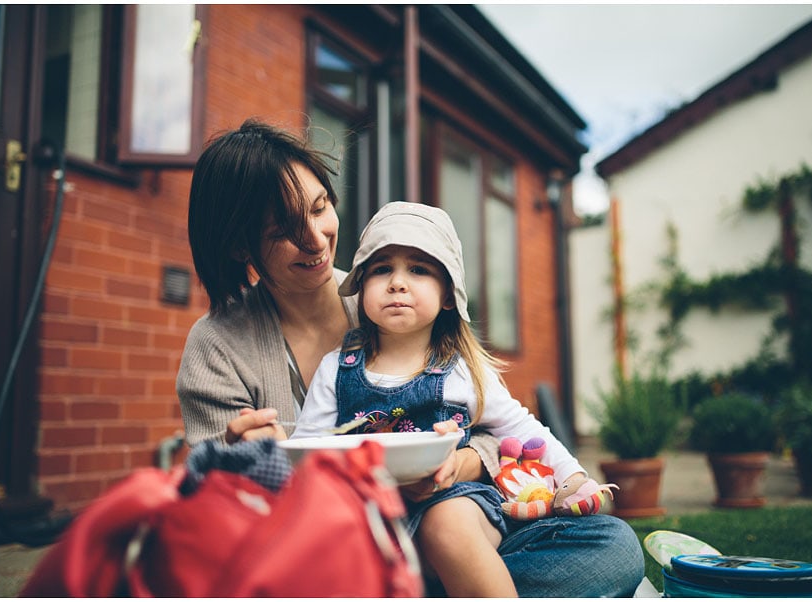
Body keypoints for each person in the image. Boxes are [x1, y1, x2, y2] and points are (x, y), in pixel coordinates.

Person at [177, 118, 644, 597]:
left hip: (455, 522)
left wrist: (462, 462)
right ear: (240, 245)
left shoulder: (395, 306)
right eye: (284, 231)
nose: (316, 239)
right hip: (338, 542)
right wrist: (260, 464)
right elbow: (219, 517)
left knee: (615, 546)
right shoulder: (218, 347)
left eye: (320, 208)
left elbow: (500, 423)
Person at [291, 202, 617, 597]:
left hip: (453, 501)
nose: (397, 283)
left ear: (448, 295)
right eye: (381, 269)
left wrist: (573, 477)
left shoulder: (460, 370)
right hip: (368, 513)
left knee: (447, 523)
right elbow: (306, 450)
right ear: (361, 288)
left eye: (418, 269)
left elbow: (522, 426)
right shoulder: (336, 368)